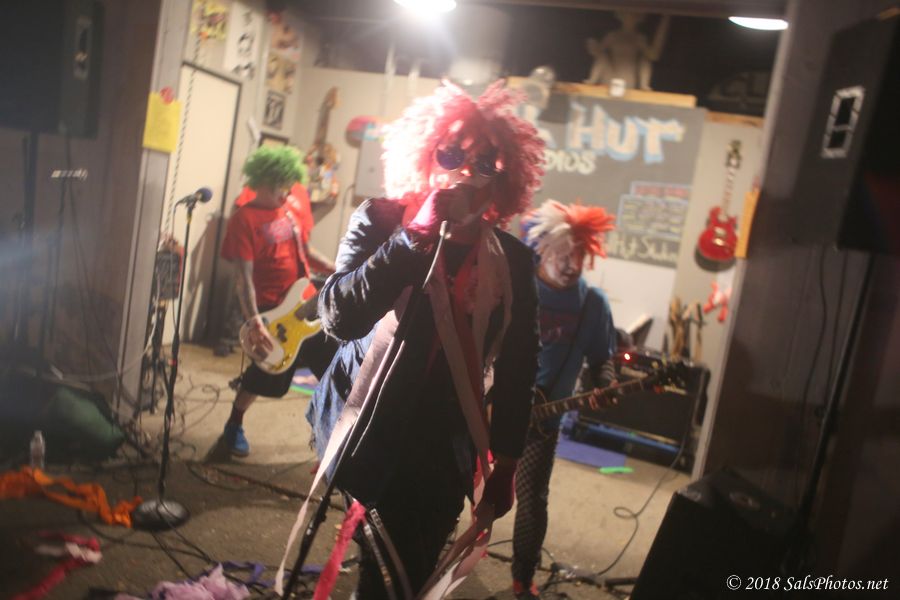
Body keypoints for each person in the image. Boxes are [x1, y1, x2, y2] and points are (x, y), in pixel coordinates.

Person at [305, 81, 545, 599]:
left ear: (504, 180)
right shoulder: (379, 220)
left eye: (485, 164)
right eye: (451, 153)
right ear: (427, 153)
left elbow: (520, 366)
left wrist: (506, 462)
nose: (465, 172)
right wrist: (411, 238)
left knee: (409, 573)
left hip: (444, 442)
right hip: (365, 422)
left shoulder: (513, 262)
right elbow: (338, 317)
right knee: (380, 564)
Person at [511, 199, 618, 599]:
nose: (572, 264)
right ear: (543, 248)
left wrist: (605, 383)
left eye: (580, 256)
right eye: (563, 254)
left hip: (543, 422)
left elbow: (602, 359)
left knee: (532, 501)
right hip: (489, 407)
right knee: (458, 485)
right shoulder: (517, 287)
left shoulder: (593, 305)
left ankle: (522, 578)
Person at [219, 146, 336, 457]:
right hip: (272, 311)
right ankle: (234, 424)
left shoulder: (287, 213)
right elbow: (243, 277)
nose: (286, 194)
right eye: (280, 188)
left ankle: (334, 429)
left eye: (287, 187)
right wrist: (254, 321)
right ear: (263, 183)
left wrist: (336, 268)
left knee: (333, 363)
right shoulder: (244, 219)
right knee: (266, 374)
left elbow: (306, 252)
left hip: (306, 305)